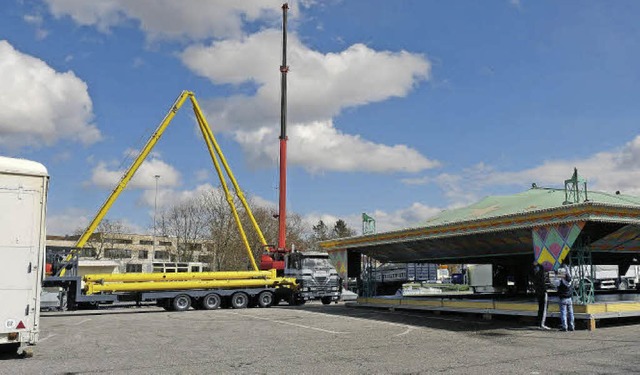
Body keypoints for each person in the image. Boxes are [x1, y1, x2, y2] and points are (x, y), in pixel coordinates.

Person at [532, 261, 550, 330]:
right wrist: (539, 264)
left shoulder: (535, 276)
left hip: (538, 292)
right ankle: (542, 324)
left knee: (540, 308)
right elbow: (542, 270)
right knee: (544, 308)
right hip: (543, 292)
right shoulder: (540, 275)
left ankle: (539, 323)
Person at [556, 266, 575, 331]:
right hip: (569, 298)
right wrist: (567, 269)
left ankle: (565, 327)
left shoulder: (560, 281)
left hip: (562, 299)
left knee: (563, 313)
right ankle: (572, 326)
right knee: (571, 313)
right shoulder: (570, 281)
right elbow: (568, 274)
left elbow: (554, 284)